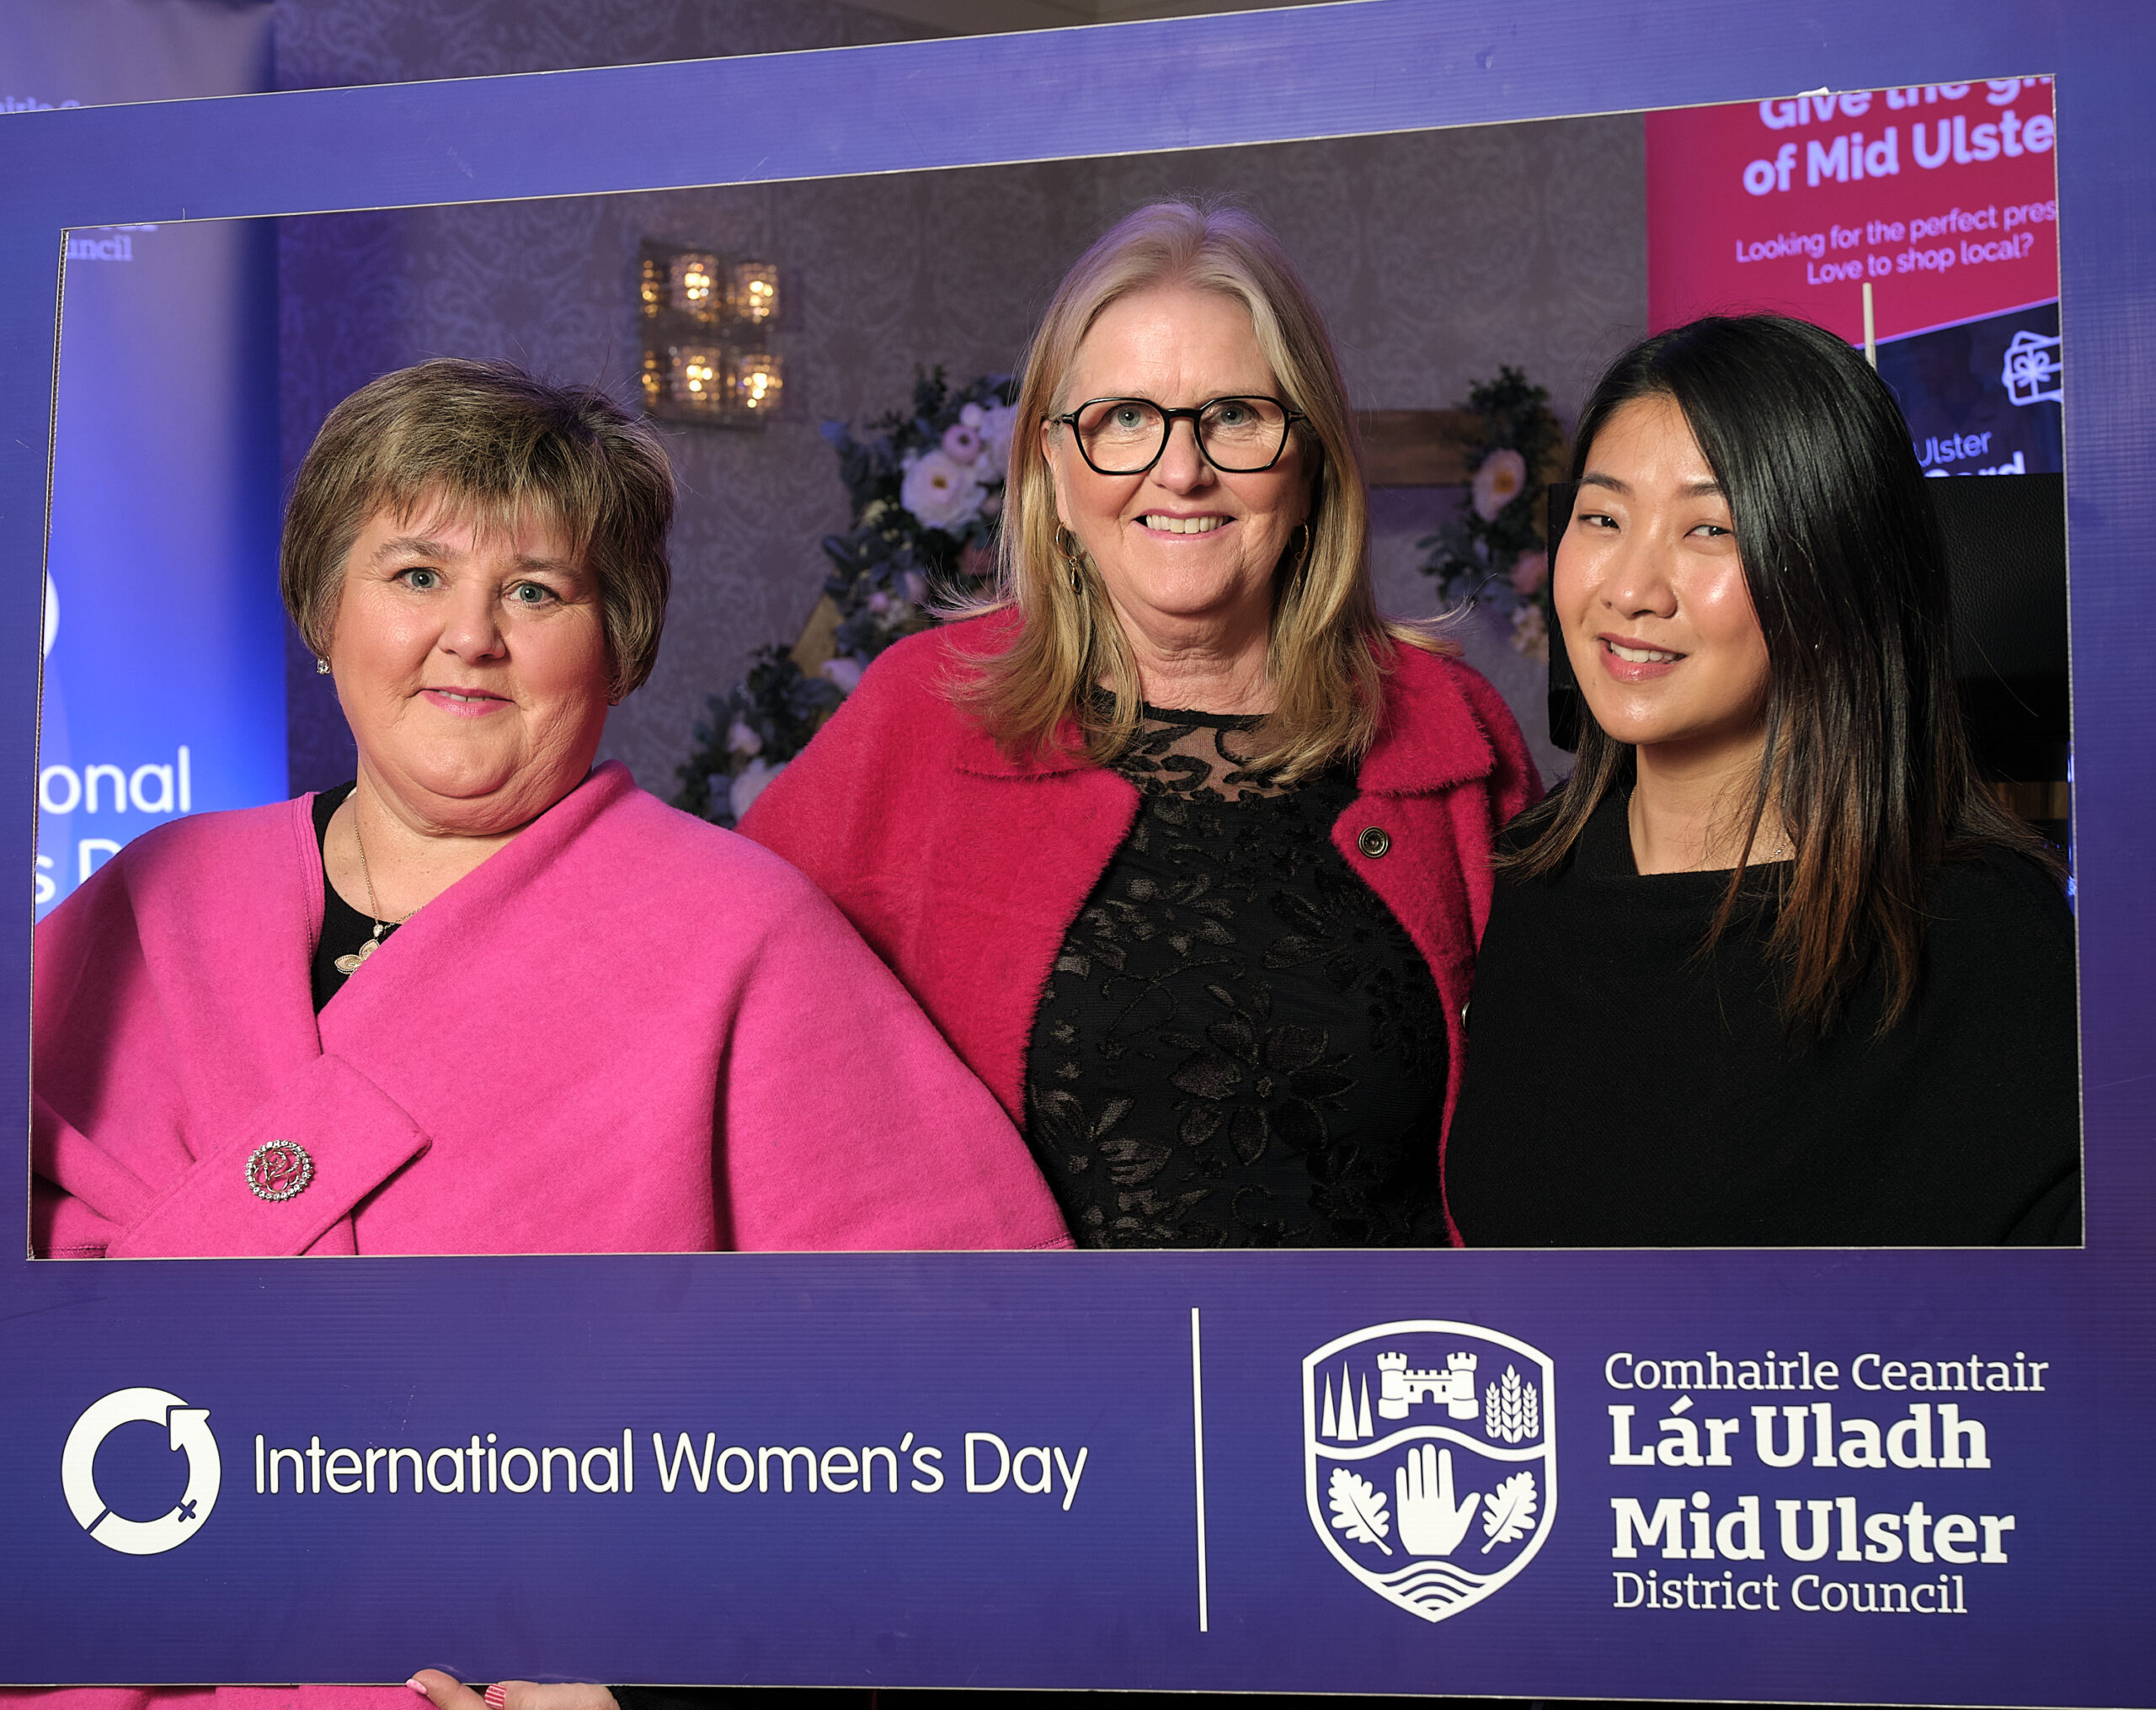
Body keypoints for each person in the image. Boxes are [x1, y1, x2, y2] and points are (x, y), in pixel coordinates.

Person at [31, 357, 1070, 1260]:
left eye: (534, 591)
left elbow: (960, 1321)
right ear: (324, 610)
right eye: (418, 575)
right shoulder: (162, 891)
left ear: (617, 644)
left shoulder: (744, 935)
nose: (471, 636)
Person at [743, 201, 1539, 1249]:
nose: (1180, 470)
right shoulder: (917, 717)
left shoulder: (1450, 732)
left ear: (1309, 462)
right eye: (1123, 418)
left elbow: (1557, 1114)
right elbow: (734, 1044)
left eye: (1235, 414)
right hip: (1036, 1358)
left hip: (1379, 1356)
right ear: (1051, 469)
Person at [1442, 313, 2080, 1246]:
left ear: (1832, 575)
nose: (1629, 590)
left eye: (1710, 528)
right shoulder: (1520, 882)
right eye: (1602, 518)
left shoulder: (1981, 936)